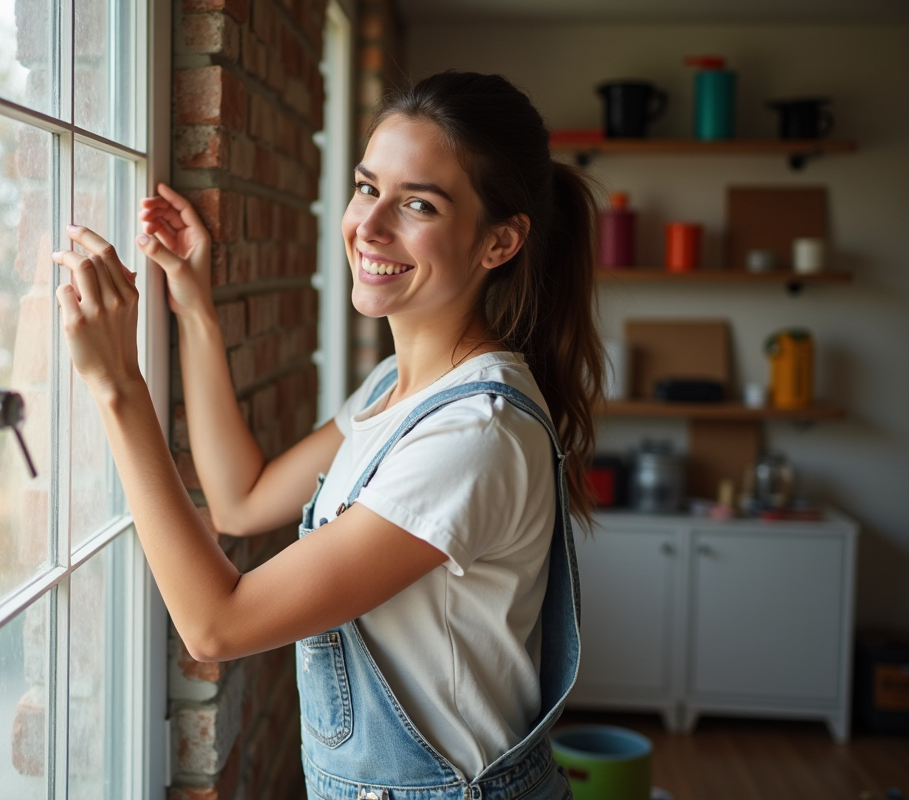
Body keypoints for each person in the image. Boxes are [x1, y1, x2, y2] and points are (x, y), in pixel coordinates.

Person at [52, 70, 603, 800]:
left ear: (498, 242)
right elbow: (241, 501)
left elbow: (216, 626)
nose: (369, 228)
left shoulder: (475, 434)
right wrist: (195, 306)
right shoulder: (393, 389)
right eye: (367, 187)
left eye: (419, 204)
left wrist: (118, 386)